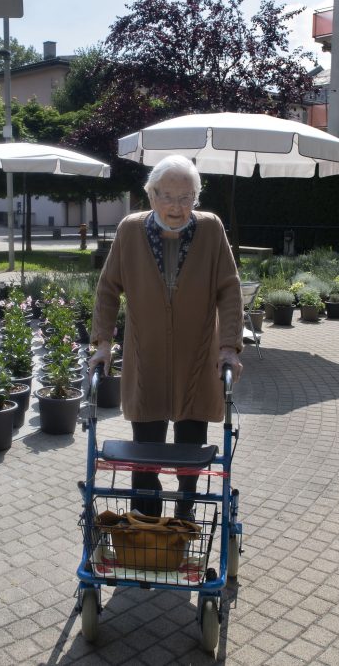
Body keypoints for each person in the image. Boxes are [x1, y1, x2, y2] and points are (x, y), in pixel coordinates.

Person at [88, 155, 244, 520]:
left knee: (190, 454)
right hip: (147, 361)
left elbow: (229, 289)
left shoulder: (211, 229)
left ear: (195, 198)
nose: (176, 206)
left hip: (197, 361)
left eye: (185, 197)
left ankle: (185, 513)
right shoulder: (130, 230)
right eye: (168, 196)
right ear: (151, 195)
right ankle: (145, 523)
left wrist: (228, 347)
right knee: (145, 455)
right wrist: (103, 344)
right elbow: (108, 289)